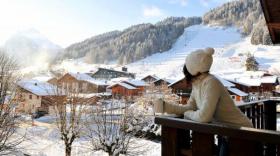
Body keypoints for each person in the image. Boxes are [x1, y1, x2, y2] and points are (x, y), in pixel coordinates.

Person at [154, 47, 253, 155]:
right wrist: (166, 107)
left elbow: (204, 117)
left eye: (187, 67)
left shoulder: (211, 83)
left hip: (242, 132)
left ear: (192, 69)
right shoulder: (197, 85)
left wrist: (188, 114)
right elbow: (189, 107)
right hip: (227, 132)